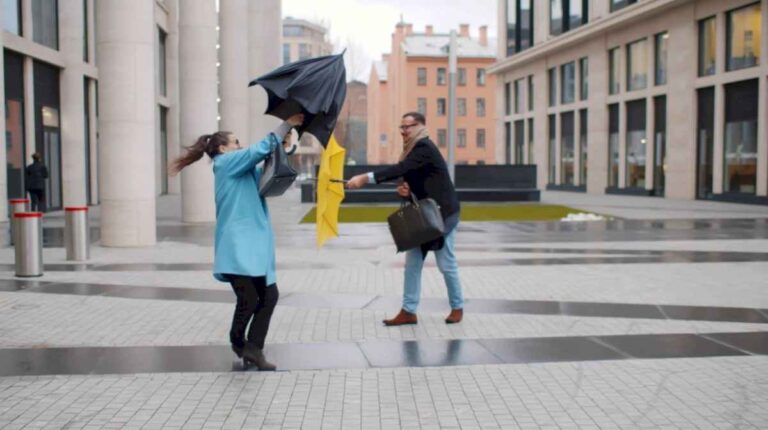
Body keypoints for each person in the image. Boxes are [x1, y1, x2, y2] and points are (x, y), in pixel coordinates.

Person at [170, 113, 304, 370]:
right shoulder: (225, 163)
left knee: (268, 296)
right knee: (251, 299)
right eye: (236, 142)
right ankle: (239, 341)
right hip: (237, 247)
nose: (240, 146)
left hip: (252, 248)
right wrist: (286, 124)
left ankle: (252, 348)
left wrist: (286, 145)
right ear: (222, 149)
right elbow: (257, 151)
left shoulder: (240, 167)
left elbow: (268, 170)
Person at [347, 112, 464, 325]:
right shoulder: (411, 149)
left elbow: (400, 169)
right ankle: (409, 311)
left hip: (443, 214)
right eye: (401, 127)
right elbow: (414, 176)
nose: (403, 131)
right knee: (412, 265)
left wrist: (365, 178)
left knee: (446, 264)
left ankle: (457, 307)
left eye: (408, 127)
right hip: (424, 215)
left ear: (420, 126)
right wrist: (407, 191)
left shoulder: (424, 147)